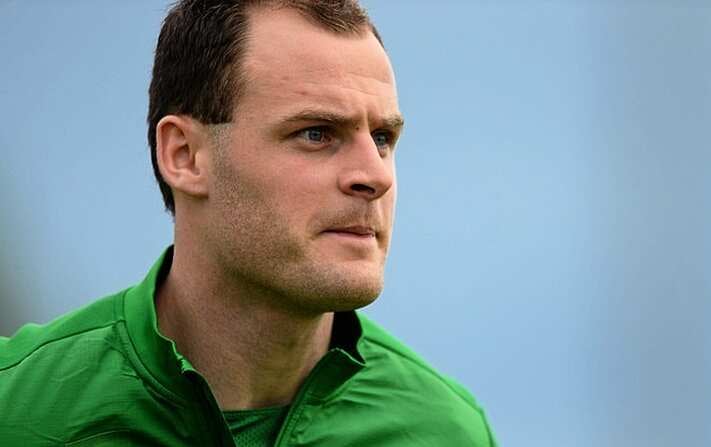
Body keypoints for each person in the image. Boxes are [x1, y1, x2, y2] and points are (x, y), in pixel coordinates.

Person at [0, 1, 496, 445]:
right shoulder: (18, 409)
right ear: (186, 155)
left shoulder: (444, 429)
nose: (374, 176)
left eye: (383, 137)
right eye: (317, 133)